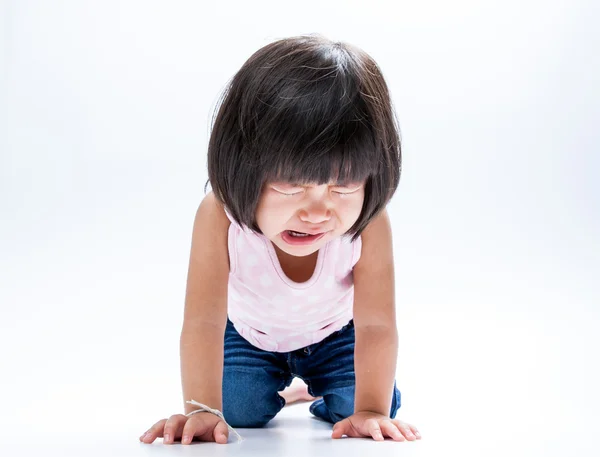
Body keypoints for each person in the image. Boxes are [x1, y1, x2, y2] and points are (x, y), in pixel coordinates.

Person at [139, 33, 421, 445]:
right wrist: (201, 410)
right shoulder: (220, 216)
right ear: (242, 167)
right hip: (251, 336)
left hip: (334, 337)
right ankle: (287, 389)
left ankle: (321, 393)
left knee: (358, 407)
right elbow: (203, 321)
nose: (317, 212)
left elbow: (376, 324)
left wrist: (371, 409)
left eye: (342, 189)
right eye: (291, 186)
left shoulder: (368, 223)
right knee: (235, 411)